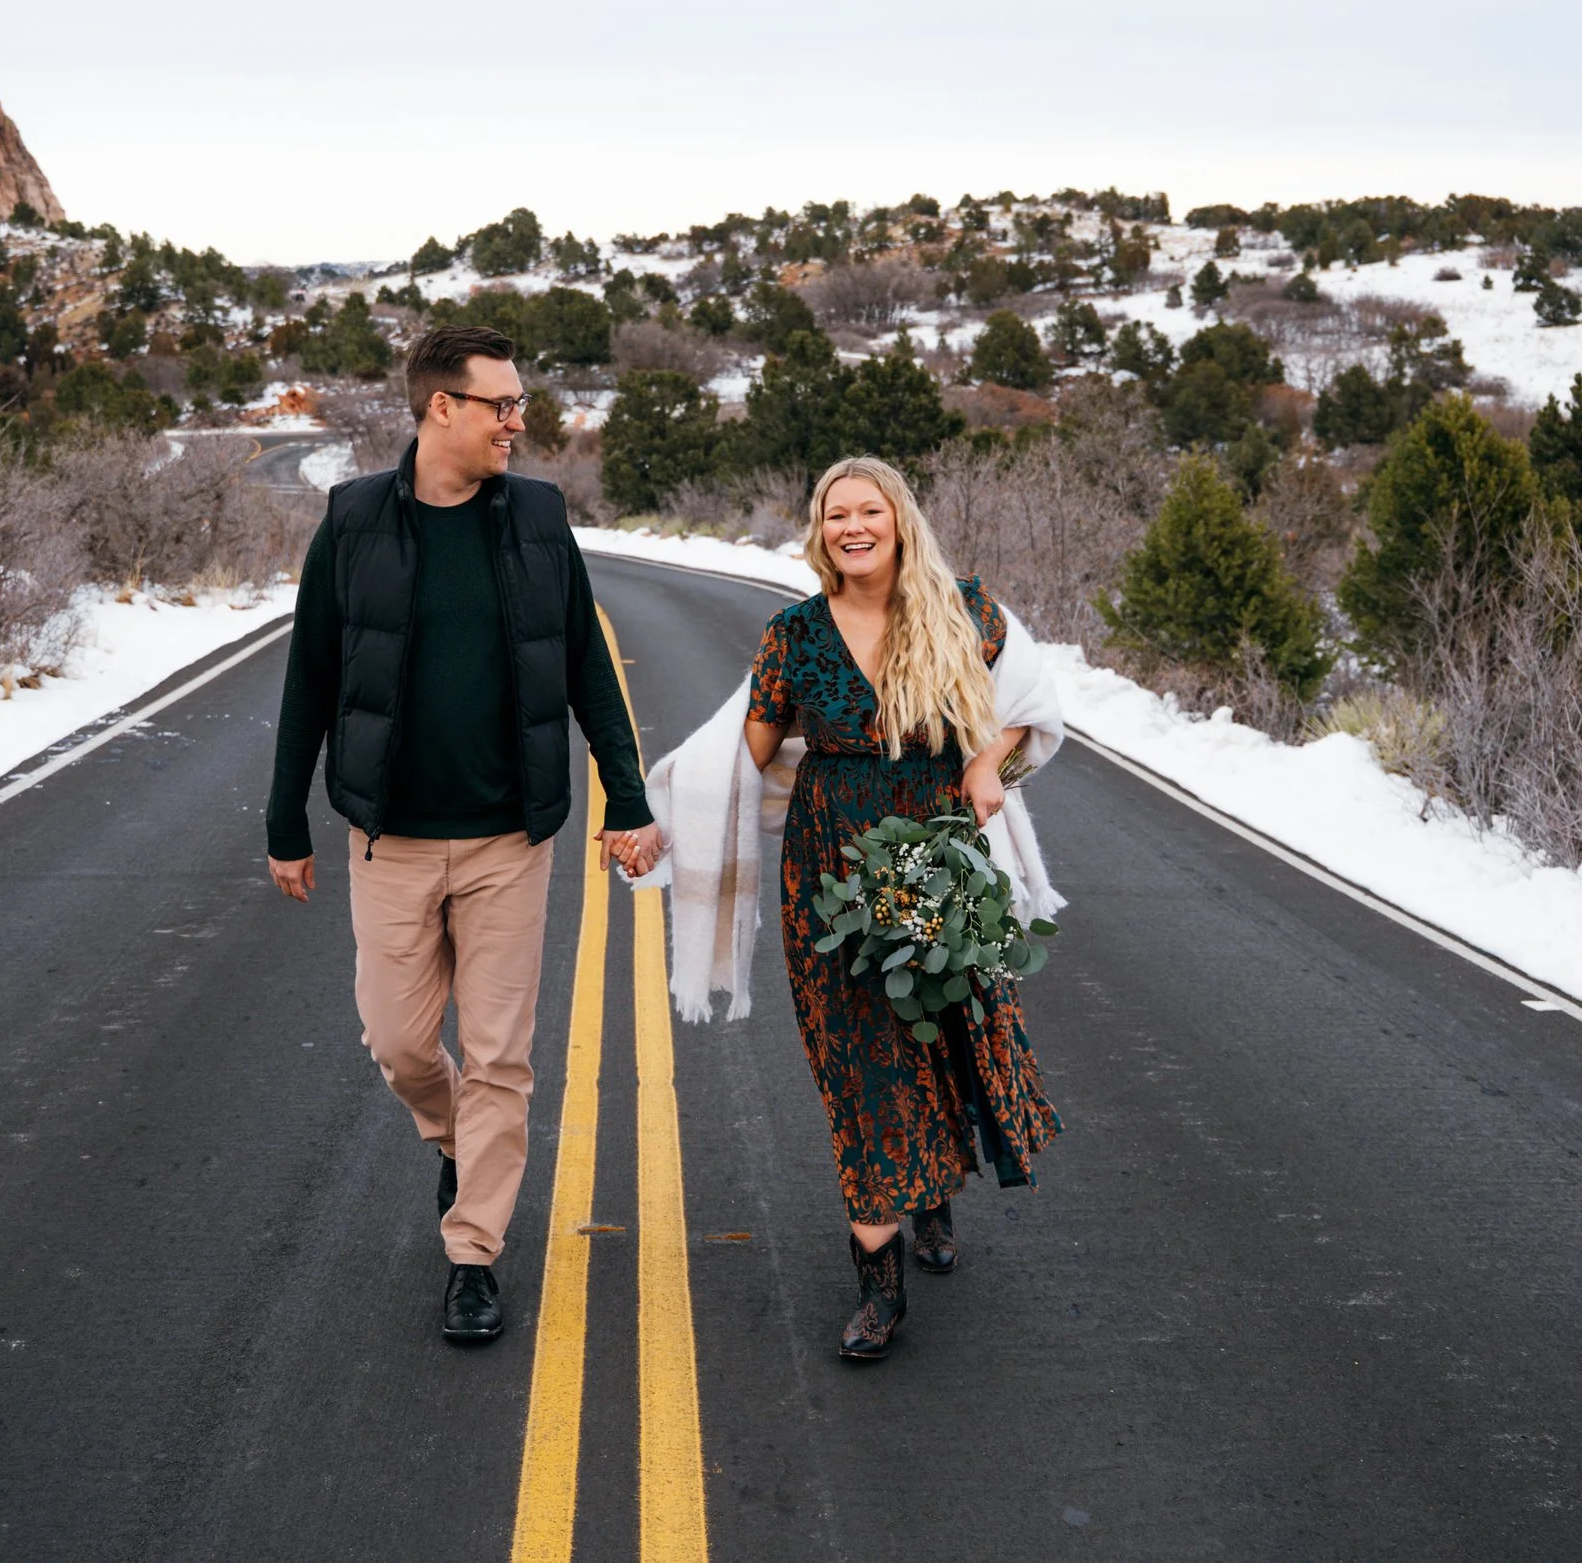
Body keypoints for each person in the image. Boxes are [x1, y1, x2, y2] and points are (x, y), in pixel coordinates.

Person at [266, 323, 664, 1343]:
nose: (516, 422)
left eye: (517, 403)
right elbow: (310, 672)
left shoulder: (534, 517)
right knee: (400, 1043)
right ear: (440, 406)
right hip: (389, 839)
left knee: (497, 1055)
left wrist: (626, 796)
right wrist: (285, 818)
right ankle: (457, 1139)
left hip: (506, 839)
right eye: (500, 404)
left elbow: (584, 665)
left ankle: (472, 1252)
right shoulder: (354, 521)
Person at [742, 456, 1061, 1360]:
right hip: (829, 868)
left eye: (867, 510)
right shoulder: (793, 636)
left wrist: (983, 761)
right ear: (820, 530)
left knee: (934, 1029)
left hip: (937, 855)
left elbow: (1030, 704)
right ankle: (880, 1289)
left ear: (898, 519)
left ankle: (932, 1189)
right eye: (835, 513)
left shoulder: (966, 611)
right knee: (858, 1058)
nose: (852, 526)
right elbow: (752, 749)